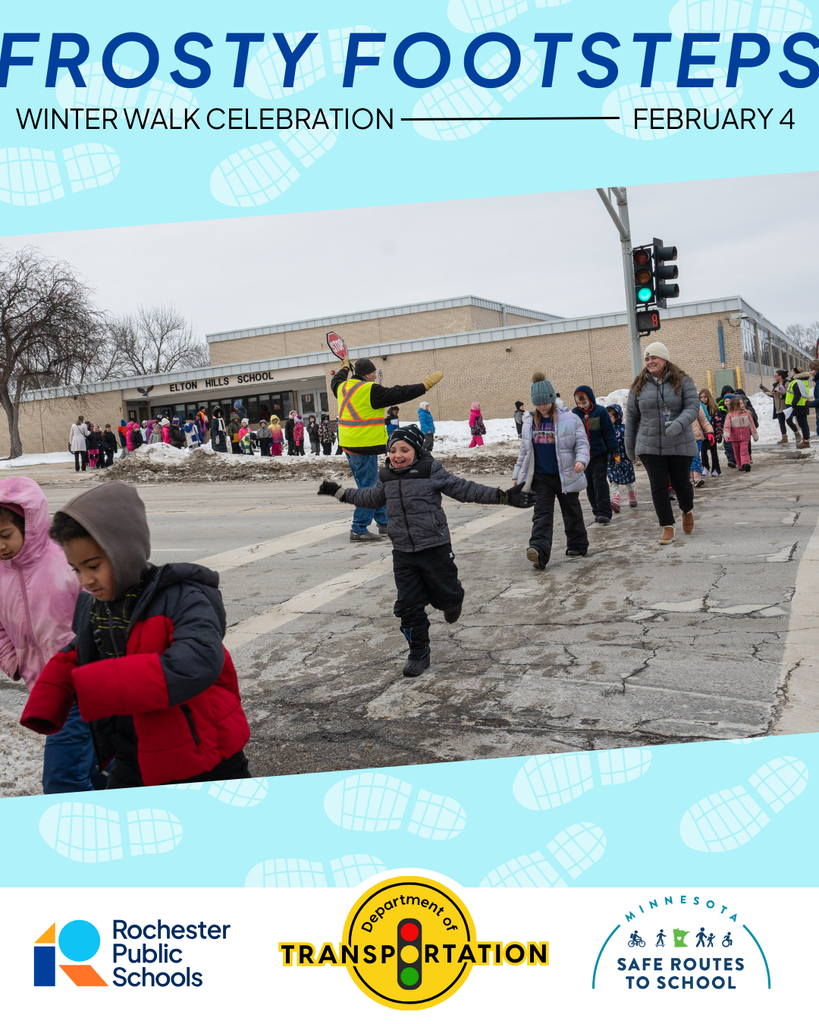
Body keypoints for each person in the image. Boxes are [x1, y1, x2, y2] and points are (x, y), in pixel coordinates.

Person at [20, 481, 252, 789]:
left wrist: (103, 683)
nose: (86, 580)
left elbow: (198, 661)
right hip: (134, 752)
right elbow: (82, 649)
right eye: (76, 569)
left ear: (124, 552)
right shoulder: (96, 603)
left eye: (93, 565)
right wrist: (51, 692)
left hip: (205, 752)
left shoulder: (183, 597)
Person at [317, 425, 532, 676]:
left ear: (416, 451)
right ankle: (418, 652)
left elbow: (465, 489)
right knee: (407, 606)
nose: (397, 455)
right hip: (403, 553)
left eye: (404, 450)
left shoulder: (430, 471)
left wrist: (503, 497)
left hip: (435, 547)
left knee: (445, 597)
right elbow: (369, 499)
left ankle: (454, 600)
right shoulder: (385, 476)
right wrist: (340, 492)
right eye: (393, 450)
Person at [0, 478, 104, 794]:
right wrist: (12, 660)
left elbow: (100, 611)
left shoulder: (64, 561)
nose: (0, 545)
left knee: (62, 780)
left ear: (28, 526)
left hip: (78, 684)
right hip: (43, 689)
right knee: (94, 767)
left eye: (5, 535)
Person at [330, 355, 442, 542]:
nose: (375, 375)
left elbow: (336, 379)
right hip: (363, 444)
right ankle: (358, 529)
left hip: (349, 443)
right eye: (373, 372)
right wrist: (424, 386)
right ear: (366, 375)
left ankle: (384, 523)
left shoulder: (342, 387)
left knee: (374, 484)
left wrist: (343, 368)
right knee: (369, 488)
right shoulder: (370, 390)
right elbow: (398, 393)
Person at [624, 341, 700, 545]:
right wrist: (629, 446)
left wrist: (679, 423)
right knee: (658, 486)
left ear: (664, 359)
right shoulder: (638, 385)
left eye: (653, 358)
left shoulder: (683, 381)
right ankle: (667, 526)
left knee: (681, 484)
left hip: (679, 442)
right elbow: (631, 417)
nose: (650, 362)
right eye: (647, 359)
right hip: (649, 444)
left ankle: (687, 509)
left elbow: (693, 407)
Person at [512, 374, 590, 568]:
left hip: (565, 474)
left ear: (552, 398)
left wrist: (581, 460)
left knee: (571, 511)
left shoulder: (570, 418)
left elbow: (582, 443)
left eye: (545, 402)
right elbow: (525, 451)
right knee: (541, 514)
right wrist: (517, 474)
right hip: (541, 477)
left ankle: (577, 545)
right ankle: (538, 551)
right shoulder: (529, 421)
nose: (542, 407)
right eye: (538, 404)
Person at [572, 385, 619, 524]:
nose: (582, 406)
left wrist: (615, 453)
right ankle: (596, 510)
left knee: (599, 482)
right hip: (583, 457)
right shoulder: (575, 414)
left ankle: (605, 512)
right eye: (579, 403)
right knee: (589, 484)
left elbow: (610, 434)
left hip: (600, 454)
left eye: (584, 403)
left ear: (591, 399)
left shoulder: (601, 412)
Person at [606, 404, 638, 510]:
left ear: (617, 417)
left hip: (624, 459)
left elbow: (630, 441)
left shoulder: (624, 429)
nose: (608, 419)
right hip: (613, 460)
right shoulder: (606, 431)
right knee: (613, 480)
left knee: (629, 480)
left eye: (610, 417)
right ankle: (615, 500)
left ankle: (632, 494)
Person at [760, 371, 798, 444]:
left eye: (776, 375)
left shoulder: (787, 383)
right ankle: (784, 437)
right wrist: (763, 388)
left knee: (789, 422)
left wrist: (779, 392)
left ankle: (797, 434)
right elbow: (772, 394)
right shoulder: (776, 385)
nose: (775, 377)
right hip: (778, 407)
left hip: (786, 406)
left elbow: (787, 392)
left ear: (780, 376)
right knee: (781, 423)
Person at [723, 396, 759, 472]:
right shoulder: (730, 415)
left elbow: (752, 425)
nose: (742, 405)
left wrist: (755, 435)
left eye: (742, 403)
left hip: (745, 437)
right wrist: (726, 435)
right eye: (740, 404)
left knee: (744, 450)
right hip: (734, 438)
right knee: (737, 452)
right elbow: (727, 426)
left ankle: (746, 463)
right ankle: (740, 465)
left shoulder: (747, 414)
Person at [786, 368, 812, 449]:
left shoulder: (797, 381)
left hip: (799, 406)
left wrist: (793, 404)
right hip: (802, 405)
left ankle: (806, 441)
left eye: (792, 371)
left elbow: (797, 394)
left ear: (796, 373)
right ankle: (806, 440)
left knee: (802, 424)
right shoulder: (801, 380)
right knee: (803, 423)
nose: (791, 373)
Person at [698, 389, 722, 476]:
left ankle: (715, 468)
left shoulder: (714, 408)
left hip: (712, 433)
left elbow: (718, 421)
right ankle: (705, 467)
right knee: (703, 451)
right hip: (703, 433)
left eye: (705, 397)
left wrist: (718, 433)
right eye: (701, 397)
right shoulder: (699, 408)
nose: (703, 399)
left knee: (713, 452)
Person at [689, 400, 713, 488]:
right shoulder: (677, 404)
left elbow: (703, 420)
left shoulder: (697, 405)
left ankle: (697, 476)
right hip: (683, 437)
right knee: (686, 458)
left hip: (696, 436)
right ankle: (690, 477)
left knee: (695, 456)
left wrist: (709, 431)